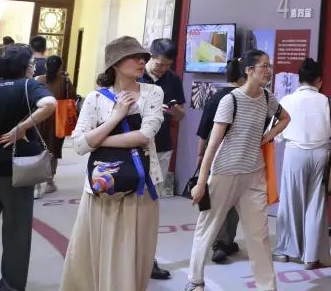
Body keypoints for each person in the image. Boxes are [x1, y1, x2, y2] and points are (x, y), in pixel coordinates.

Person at [59, 36, 164, 291]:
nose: (141, 61)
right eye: (133, 57)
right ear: (115, 63)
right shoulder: (96, 98)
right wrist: (115, 117)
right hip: (101, 188)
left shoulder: (153, 92)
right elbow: (79, 145)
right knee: (95, 252)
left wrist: (98, 140)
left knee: (136, 253)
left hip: (141, 185)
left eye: (143, 57)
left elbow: (144, 135)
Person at [186, 50, 290, 291]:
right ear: (249, 70)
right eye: (263, 66)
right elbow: (213, 144)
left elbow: (285, 118)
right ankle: (195, 280)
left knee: (259, 234)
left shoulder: (267, 97)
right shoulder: (230, 100)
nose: (268, 70)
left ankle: (267, 287)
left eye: (269, 66)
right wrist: (201, 182)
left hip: (254, 173)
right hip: (225, 171)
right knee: (208, 227)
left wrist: (268, 136)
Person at [0, 44, 57, 291]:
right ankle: (10, 286)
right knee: (17, 234)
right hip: (16, 170)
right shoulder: (29, 86)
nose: (33, 68)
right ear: (24, 67)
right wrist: (22, 128)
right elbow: (49, 104)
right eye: (30, 64)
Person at [274, 58, 331, 269]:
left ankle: (287, 250)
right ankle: (311, 257)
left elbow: (277, 134)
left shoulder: (287, 100)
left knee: (290, 202)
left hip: (295, 152)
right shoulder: (328, 102)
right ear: (319, 80)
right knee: (317, 205)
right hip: (321, 153)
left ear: (299, 79)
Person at [140, 39, 184, 281]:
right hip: (135, 148)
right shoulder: (136, 76)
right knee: (130, 203)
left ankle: (148, 259)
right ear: (150, 57)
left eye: (167, 65)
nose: (162, 69)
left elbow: (181, 115)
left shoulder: (173, 80)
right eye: (159, 64)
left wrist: (173, 109)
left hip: (162, 148)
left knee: (152, 204)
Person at [195, 59, 246, 265]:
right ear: (244, 75)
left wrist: (200, 157)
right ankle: (223, 242)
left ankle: (213, 241)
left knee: (214, 198)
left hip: (214, 154)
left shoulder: (216, 97)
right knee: (232, 200)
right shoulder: (245, 98)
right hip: (237, 156)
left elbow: (203, 131)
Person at [33, 55, 76, 198]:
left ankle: (36, 186)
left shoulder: (38, 80)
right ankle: (49, 182)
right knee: (53, 150)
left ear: (46, 66)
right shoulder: (65, 81)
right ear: (60, 67)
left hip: (39, 118)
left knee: (38, 150)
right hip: (58, 120)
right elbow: (72, 97)